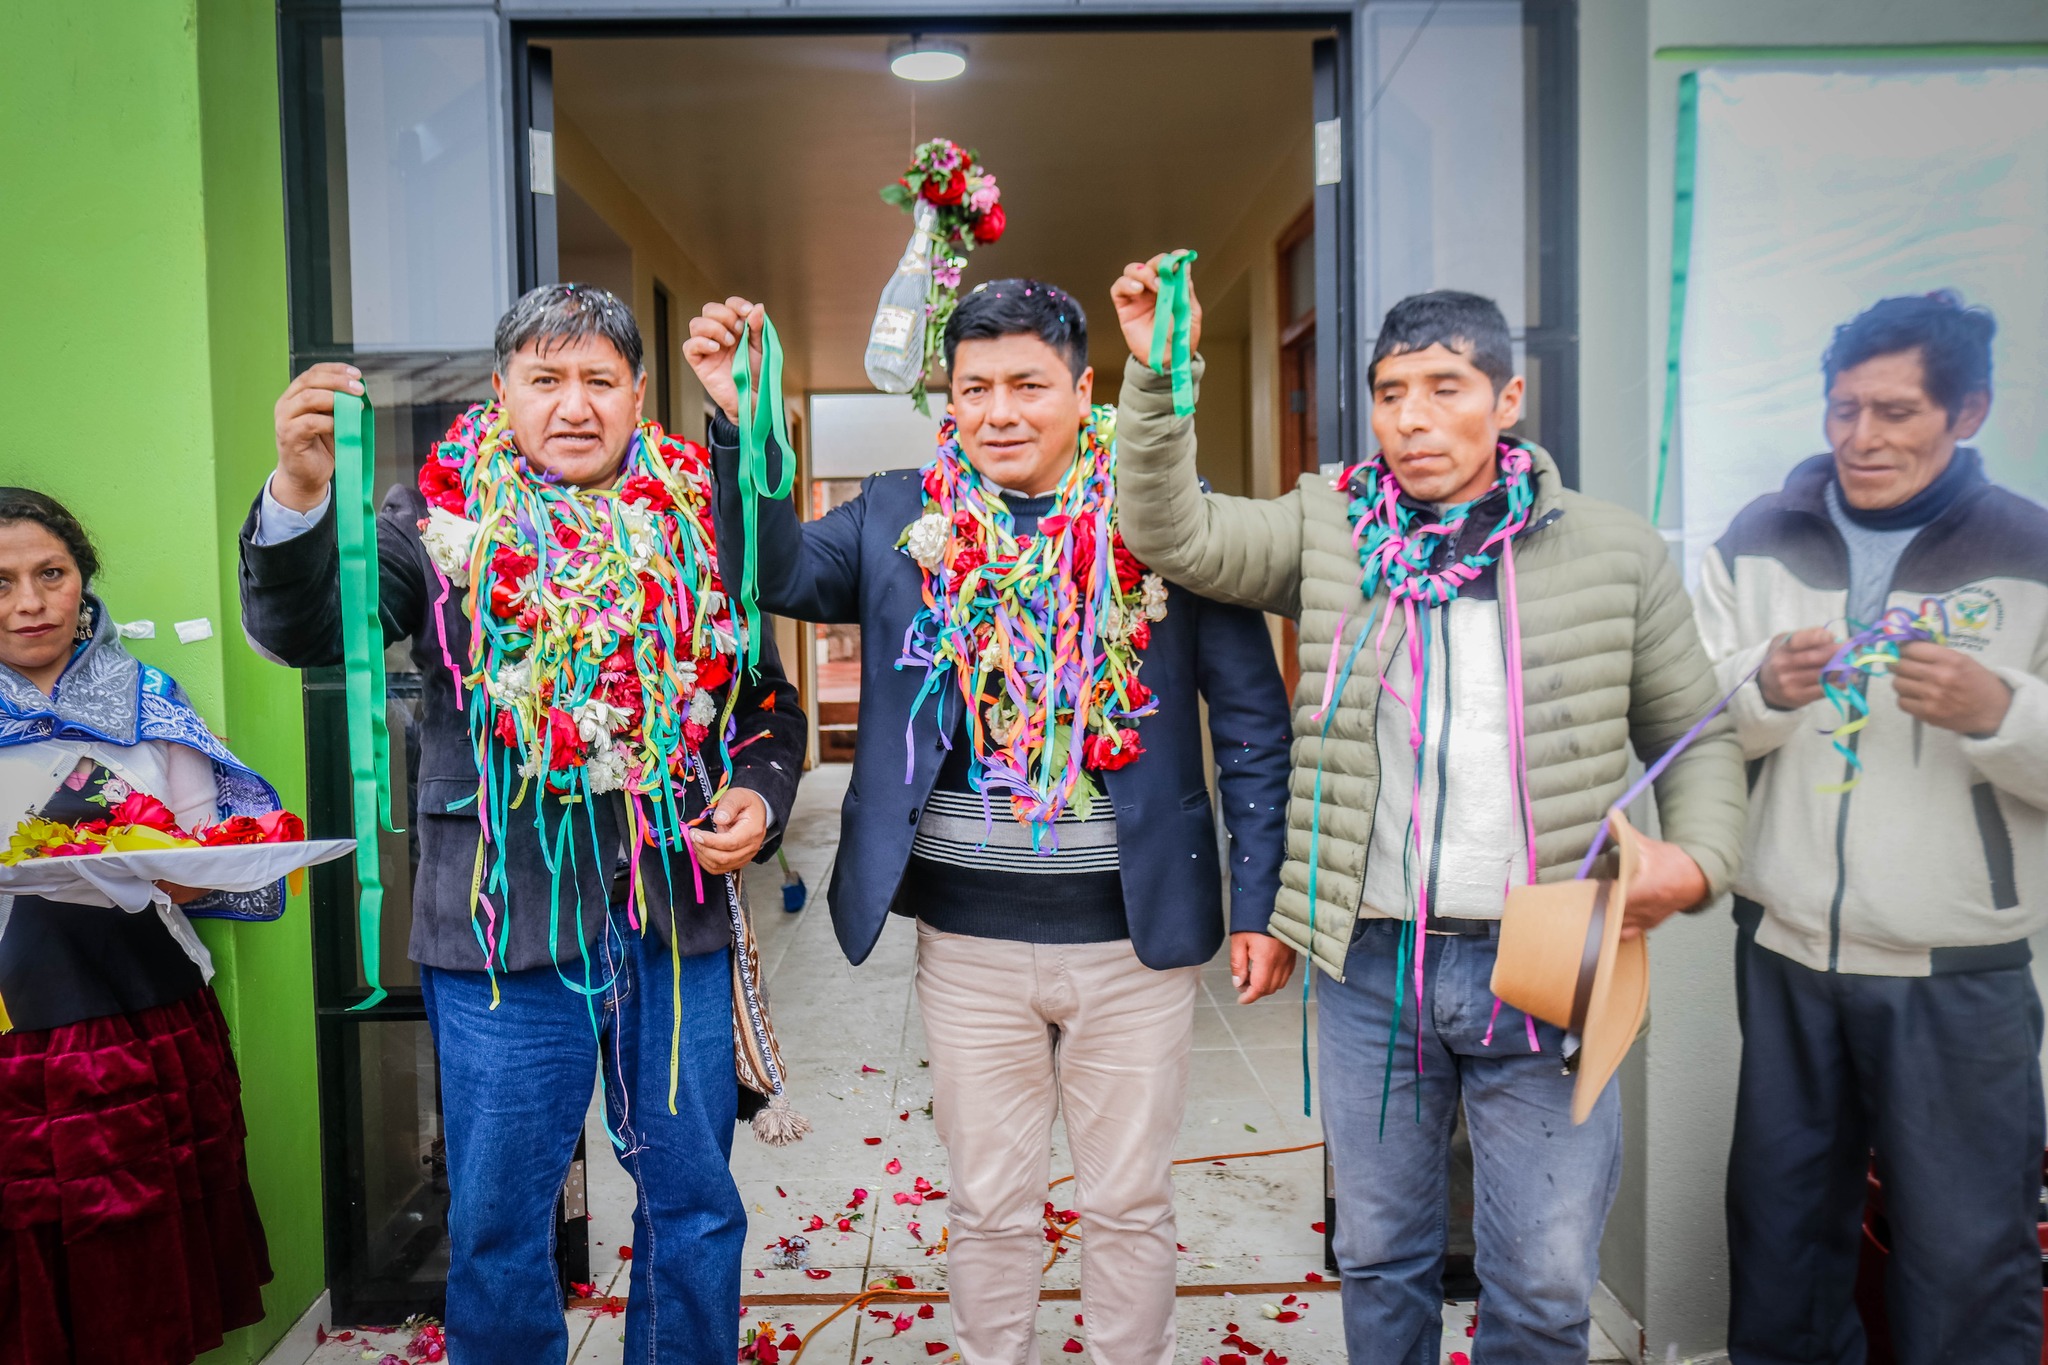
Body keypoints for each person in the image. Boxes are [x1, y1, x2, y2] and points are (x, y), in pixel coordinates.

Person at [1110, 270, 1747, 1363]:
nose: (1409, 418)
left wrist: (1694, 865)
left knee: (1544, 1283)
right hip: (1371, 964)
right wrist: (1159, 376)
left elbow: (1697, 733)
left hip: (1546, 962)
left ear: (1507, 401)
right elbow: (1169, 531)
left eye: (1444, 387)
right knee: (1378, 1255)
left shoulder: (1612, 552)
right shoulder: (1328, 528)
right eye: (1390, 392)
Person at [688, 280, 1295, 1365]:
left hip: (1133, 940)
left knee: (1129, 1206)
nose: (1000, 410)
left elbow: (1250, 722)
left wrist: (1258, 903)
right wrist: (744, 421)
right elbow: (774, 568)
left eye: (1028, 384)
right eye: (975, 388)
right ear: (949, 397)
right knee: (987, 1206)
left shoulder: (1163, 511)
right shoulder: (893, 513)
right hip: (964, 943)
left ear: (1083, 388)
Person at [239, 284, 808, 1364]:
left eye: (599, 379)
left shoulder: (700, 527)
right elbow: (311, 627)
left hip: (670, 922)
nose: (574, 405)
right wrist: (301, 490)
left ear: (640, 396)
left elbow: (761, 708)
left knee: (695, 1206)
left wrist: (759, 793)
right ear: (502, 394)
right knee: (500, 1226)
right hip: (500, 931)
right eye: (546, 380)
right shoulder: (431, 528)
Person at [1696, 292, 2048, 1363]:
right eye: (1841, 409)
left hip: (1958, 970)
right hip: (1783, 951)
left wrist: (2003, 715)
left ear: (1968, 411)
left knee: (1962, 1261)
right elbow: (1684, 717)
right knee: (1782, 1245)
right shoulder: (1754, 537)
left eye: (1893, 411)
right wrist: (1758, 683)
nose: (1860, 438)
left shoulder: (2031, 550)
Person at [1, 489, 281, 1365]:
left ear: (83, 579)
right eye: (1, 581)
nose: (30, 601)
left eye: (51, 573)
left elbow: (198, 857)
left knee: (146, 1255)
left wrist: (147, 858)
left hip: (149, 1021)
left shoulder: (147, 699)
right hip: (13, 1030)